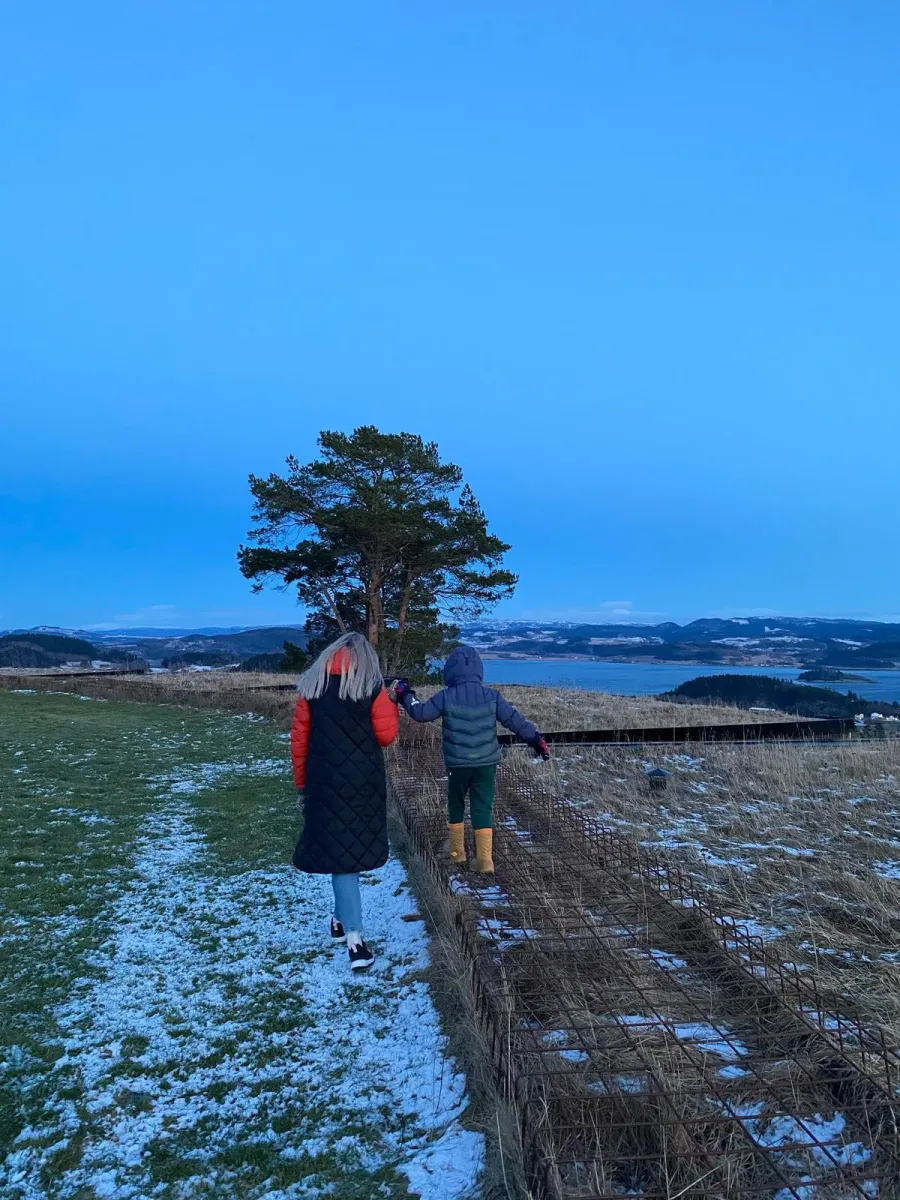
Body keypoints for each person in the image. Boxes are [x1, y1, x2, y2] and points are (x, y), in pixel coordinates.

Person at [290, 632, 399, 971]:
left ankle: (340, 922)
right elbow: (386, 735)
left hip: (324, 781)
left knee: (341, 856)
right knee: (347, 860)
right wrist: (391, 702)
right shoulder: (372, 688)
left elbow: (299, 741)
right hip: (363, 782)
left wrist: (302, 784)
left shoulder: (312, 688)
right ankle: (355, 942)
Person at [392, 645, 549, 874]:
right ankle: (484, 859)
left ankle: (457, 853)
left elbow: (421, 713)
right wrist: (537, 740)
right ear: (479, 671)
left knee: (456, 805)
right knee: (482, 807)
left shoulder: (446, 696)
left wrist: (406, 694)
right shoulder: (492, 696)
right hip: (486, 764)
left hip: (458, 764)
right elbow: (516, 721)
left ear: (451, 671)